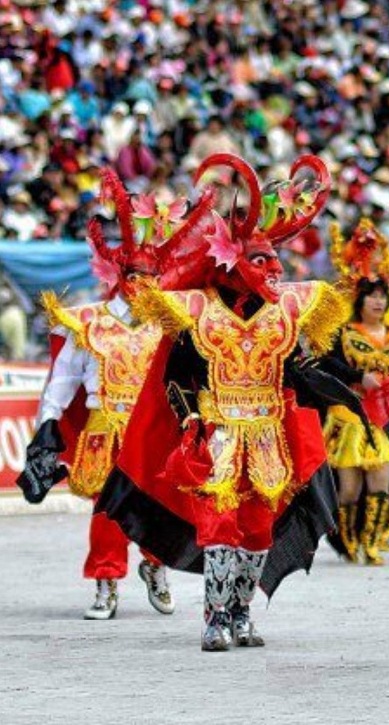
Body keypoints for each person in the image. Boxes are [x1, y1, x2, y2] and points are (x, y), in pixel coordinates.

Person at [97, 154, 359, 651]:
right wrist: (190, 418)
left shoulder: (286, 314)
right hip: (216, 435)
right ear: (233, 262)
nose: (274, 269)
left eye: (274, 260)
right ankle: (214, 619)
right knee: (218, 525)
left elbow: (293, 372)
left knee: (259, 528)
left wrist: (320, 388)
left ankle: (241, 614)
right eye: (261, 261)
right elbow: (176, 376)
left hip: (266, 438)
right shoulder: (199, 312)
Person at [17, 169, 203, 619]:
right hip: (106, 423)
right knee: (106, 509)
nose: (144, 282)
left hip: (152, 425)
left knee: (159, 503)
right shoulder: (90, 322)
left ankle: (156, 565)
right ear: (121, 272)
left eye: (152, 274)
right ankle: (105, 581)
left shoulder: (168, 323)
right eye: (137, 274)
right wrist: (48, 420)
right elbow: (63, 377)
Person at [321, 219, 389, 566]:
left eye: (382, 297)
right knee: (349, 488)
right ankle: (348, 540)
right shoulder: (344, 333)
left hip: (384, 419)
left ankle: (372, 542)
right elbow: (327, 364)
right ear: (360, 300)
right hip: (350, 416)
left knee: (381, 480)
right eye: (372, 296)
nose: (378, 302)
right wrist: (357, 376)